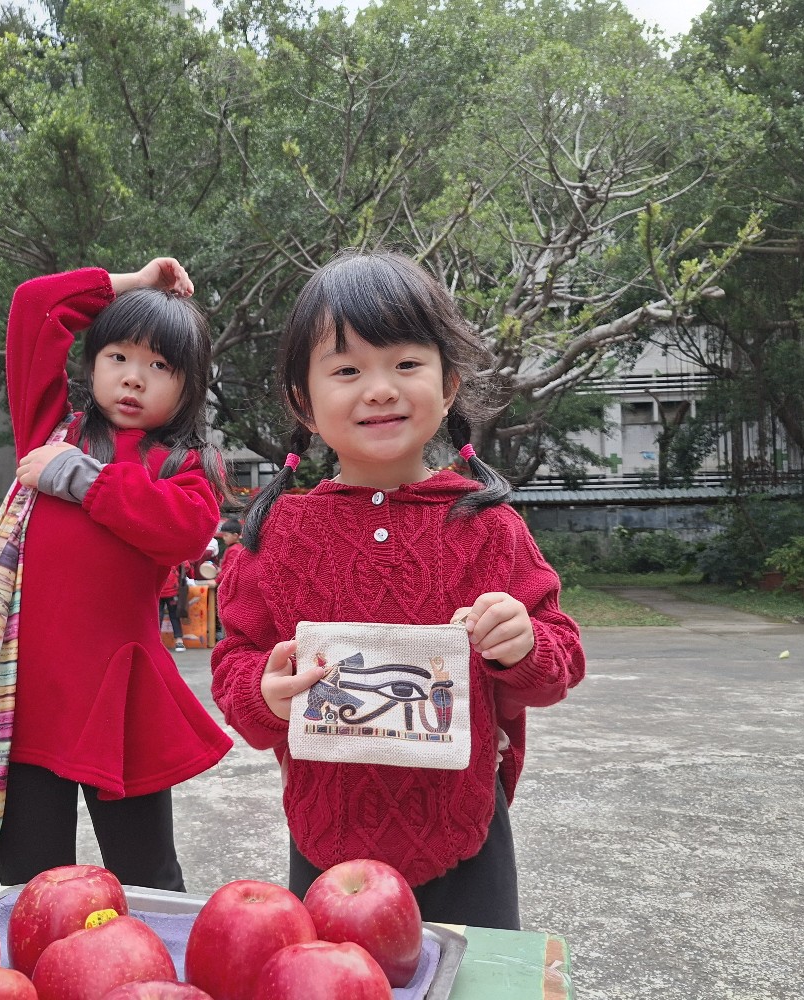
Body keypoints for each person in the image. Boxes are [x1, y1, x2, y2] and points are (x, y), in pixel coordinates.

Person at [210, 250, 586, 930]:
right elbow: (235, 662)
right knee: (329, 976)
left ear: (448, 386)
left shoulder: (488, 527)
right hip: (326, 840)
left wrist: (523, 644)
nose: (380, 389)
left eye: (406, 364)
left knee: (473, 975)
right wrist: (263, 692)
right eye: (347, 370)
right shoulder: (278, 537)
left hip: (467, 835)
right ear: (303, 401)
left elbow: (560, 661)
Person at [0, 255, 233, 890]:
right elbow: (34, 306)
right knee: (30, 879)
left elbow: (185, 530)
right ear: (93, 363)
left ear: (188, 387)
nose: (134, 377)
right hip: (28, 696)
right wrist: (132, 283)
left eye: (160, 367)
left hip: (121, 701)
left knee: (148, 876)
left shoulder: (181, 464)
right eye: (118, 356)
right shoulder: (51, 428)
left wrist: (80, 477)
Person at [159, 561, 189, 652]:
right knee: (174, 616)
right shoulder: (176, 554)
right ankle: (179, 640)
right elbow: (186, 566)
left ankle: (156, 641)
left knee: (157, 617)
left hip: (160, 590)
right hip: (171, 590)